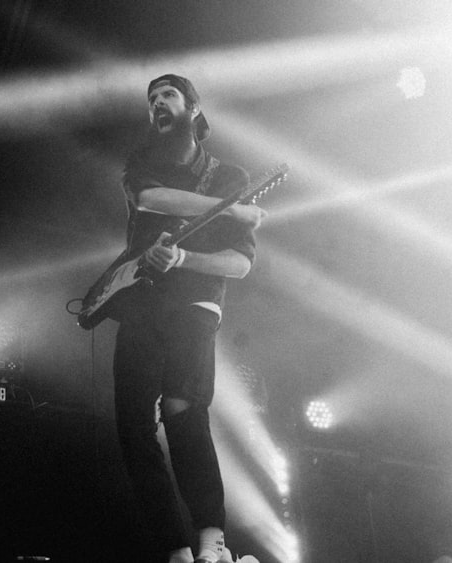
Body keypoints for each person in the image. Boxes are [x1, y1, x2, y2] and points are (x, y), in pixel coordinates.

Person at [111, 74, 266, 563]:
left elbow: (240, 264)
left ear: (194, 109)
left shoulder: (229, 174)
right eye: (152, 99)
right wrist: (232, 213)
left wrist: (183, 260)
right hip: (139, 300)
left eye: (168, 96)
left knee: (183, 409)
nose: (158, 103)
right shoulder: (141, 164)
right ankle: (173, 547)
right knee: (132, 426)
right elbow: (149, 200)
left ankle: (210, 538)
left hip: (197, 302)